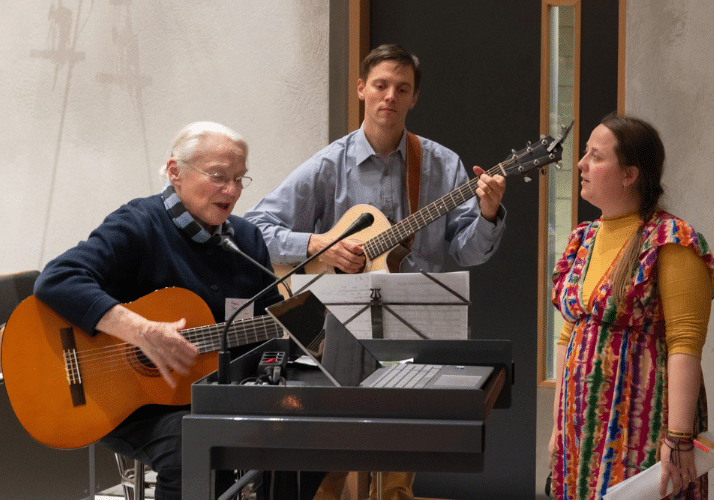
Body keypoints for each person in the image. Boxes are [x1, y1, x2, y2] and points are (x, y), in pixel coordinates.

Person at [245, 44, 507, 500]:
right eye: (381, 85)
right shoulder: (329, 165)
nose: (390, 96)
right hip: (336, 330)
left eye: (402, 88)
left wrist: (486, 214)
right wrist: (318, 243)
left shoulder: (442, 164)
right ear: (362, 89)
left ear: (413, 98)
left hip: (413, 329)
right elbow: (255, 228)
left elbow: (467, 254)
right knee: (333, 458)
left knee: (398, 461)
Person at [33, 122, 325, 500]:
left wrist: (311, 338)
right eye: (219, 177)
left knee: (312, 430)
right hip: (130, 404)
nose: (232, 191)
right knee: (195, 448)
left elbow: (269, 326)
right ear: (175, 172)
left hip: (220, 396)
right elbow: (57, 279)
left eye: (239, 179)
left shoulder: (247, 238)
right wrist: (139, 330)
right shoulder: (138, 224)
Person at [549, 114, 714, 500]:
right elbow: (568, 332)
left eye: (595, 156)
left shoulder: (671, 240)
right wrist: (559, 424)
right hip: (580, 427)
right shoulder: (583, 238)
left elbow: (685, 344)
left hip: (642, 424)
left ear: (629, 175)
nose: (580, 164)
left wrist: (677, 438)